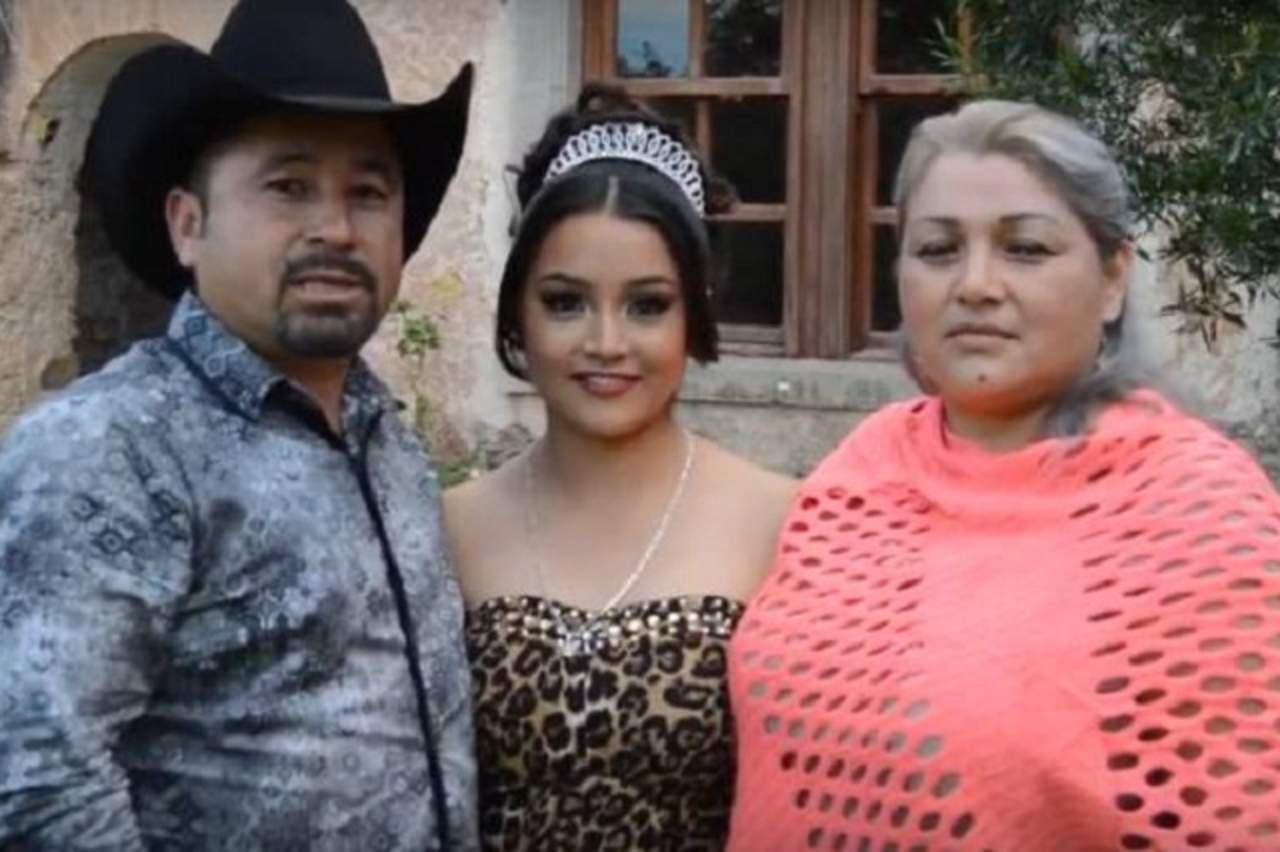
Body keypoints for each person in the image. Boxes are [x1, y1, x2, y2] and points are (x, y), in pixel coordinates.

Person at [727, 100, 1280, 851]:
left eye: (1025, 249)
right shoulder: (854, 479)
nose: (976, 285)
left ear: (1113, 279)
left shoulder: (1197, 512)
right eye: (938, 250)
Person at [0, 1, 477, 848]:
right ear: (188, 224)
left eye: (368, 193)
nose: (336, 229)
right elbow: (40, 785)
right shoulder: (110, 448)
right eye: (288, 186)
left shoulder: (387, 441)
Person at [444, 85, 795, 850]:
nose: (605, 343)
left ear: (695, 312)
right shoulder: (448, 527)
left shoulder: (784, 523)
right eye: (565, 302)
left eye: (646, 306)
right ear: (518, 312)